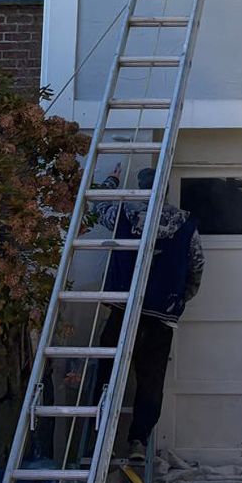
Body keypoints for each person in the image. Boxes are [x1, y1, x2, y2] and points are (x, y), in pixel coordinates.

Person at [84, 169, 203, 460]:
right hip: (160, 315)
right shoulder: (184, 222)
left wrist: (111, 180)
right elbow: (197, 265)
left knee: (106, 378)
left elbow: (95, 202)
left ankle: (101, 443)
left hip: (123, 310)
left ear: (140, 188)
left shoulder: (123, 214)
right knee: (151, 381)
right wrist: (178, 300)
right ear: (164, 190)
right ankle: (138, 440)